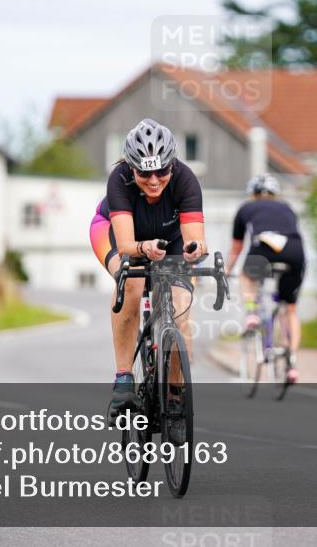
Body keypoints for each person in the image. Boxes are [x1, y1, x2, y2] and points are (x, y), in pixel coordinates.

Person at [88, 118, 209, 416]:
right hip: (119, 235)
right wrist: (143, 249)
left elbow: (194, 240)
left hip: (171, 240)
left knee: (181, 311)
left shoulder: (185, 178)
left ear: (172, 164)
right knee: (131, 283)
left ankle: (176, 395)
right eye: (144, 172)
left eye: (162, 170)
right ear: (131, 167)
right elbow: (128, 243)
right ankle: (124, 379)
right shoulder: (119, 179)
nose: (154, 180)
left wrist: (195, 251)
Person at [226, 173, 305, 383]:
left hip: (263, 249)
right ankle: (292, 364)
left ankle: (252, 312)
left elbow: (237, 247)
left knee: (246, 275)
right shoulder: (286, 207)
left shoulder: (246, 208)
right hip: (295, 251)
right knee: (289, 309)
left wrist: (226, 272)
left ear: (252, 194)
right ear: (275, 194)